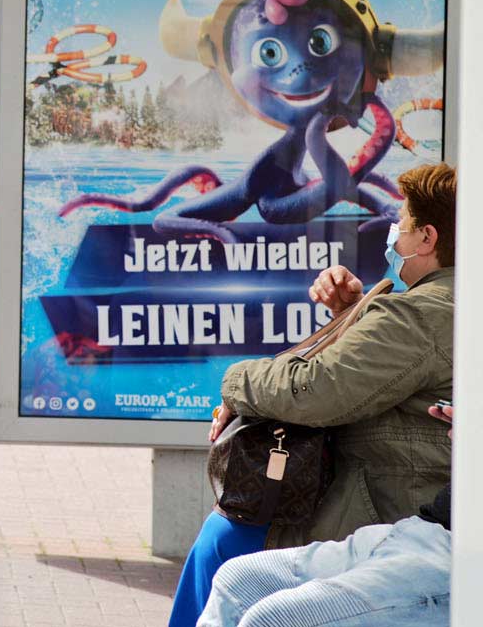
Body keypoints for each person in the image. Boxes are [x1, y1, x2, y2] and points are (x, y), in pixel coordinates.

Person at [167, 162, 456, 627]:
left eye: (399, 227)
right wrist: (354, 314)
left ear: (426, 238)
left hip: (383, 505)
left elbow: (315, 389)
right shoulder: (439, 306)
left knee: (223, 545)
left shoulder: (421, 315)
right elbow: (376, 376)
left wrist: (235, 381)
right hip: (412, 497)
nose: (393, 238)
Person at [196, 402, 452, 626]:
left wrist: (235, 387)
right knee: (236, 580)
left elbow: (319, 388)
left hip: (460, 554)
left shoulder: (419, 344)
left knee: (272, 619)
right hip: (428, 527)